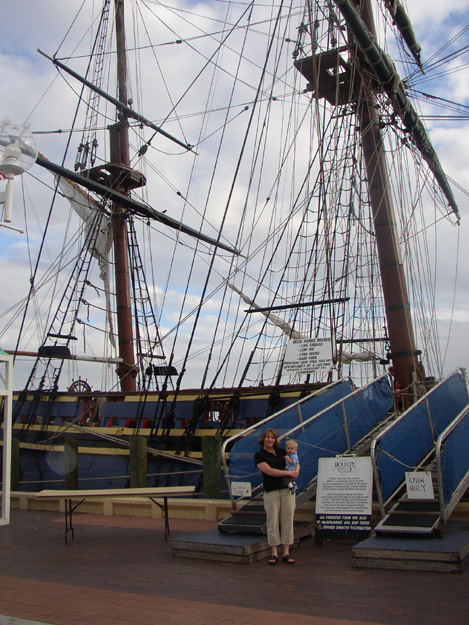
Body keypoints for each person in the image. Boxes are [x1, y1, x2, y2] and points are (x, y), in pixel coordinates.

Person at [254, 428, 300, 565]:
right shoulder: (259, 455)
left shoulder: (282, 452)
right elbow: (269, 472)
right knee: (272, 520)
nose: (270, 440)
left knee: (287, 519)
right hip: (271, 491)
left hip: (286, 489)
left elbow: (295, 462)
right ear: (263, 439)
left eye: (272, 438)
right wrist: (288, 474)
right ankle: (274, 553)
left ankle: (286, 552)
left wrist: (296, 471)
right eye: (268, 437)